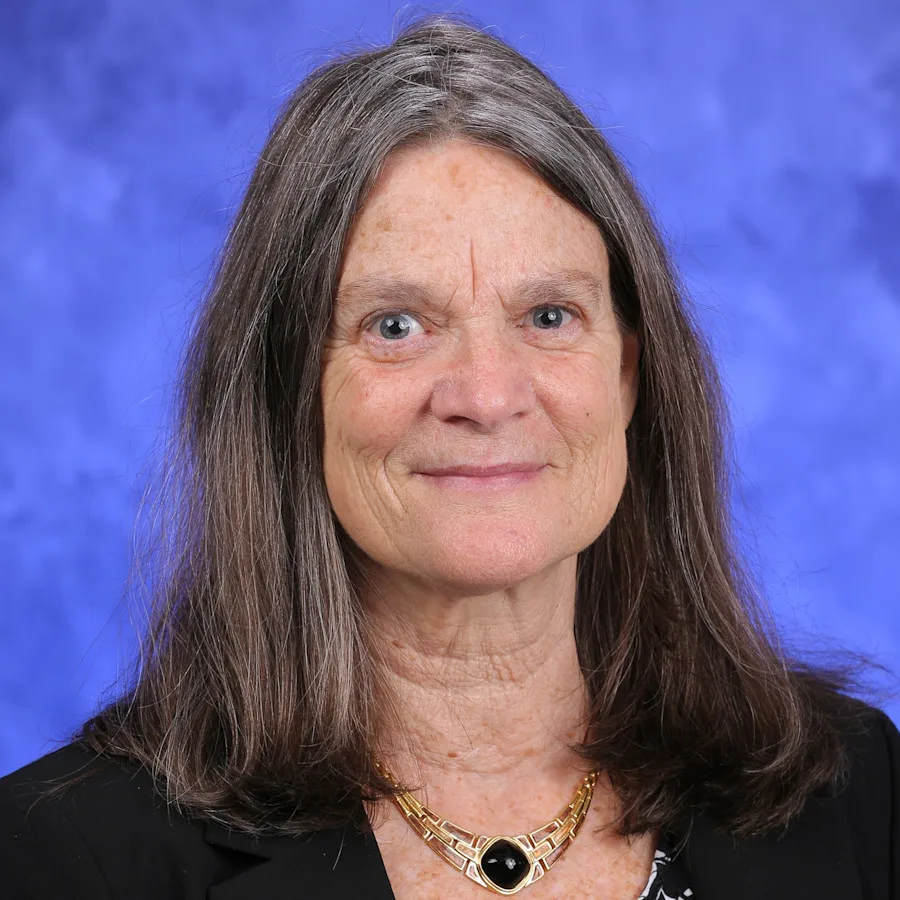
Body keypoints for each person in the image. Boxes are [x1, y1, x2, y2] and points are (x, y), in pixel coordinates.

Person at [1, 12, 897, 900]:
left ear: (627, 374)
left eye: (549, 315)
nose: (486, 394)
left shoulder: (859, 795)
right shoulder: (67, 858)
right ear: (288, 391)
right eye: (396, 325)